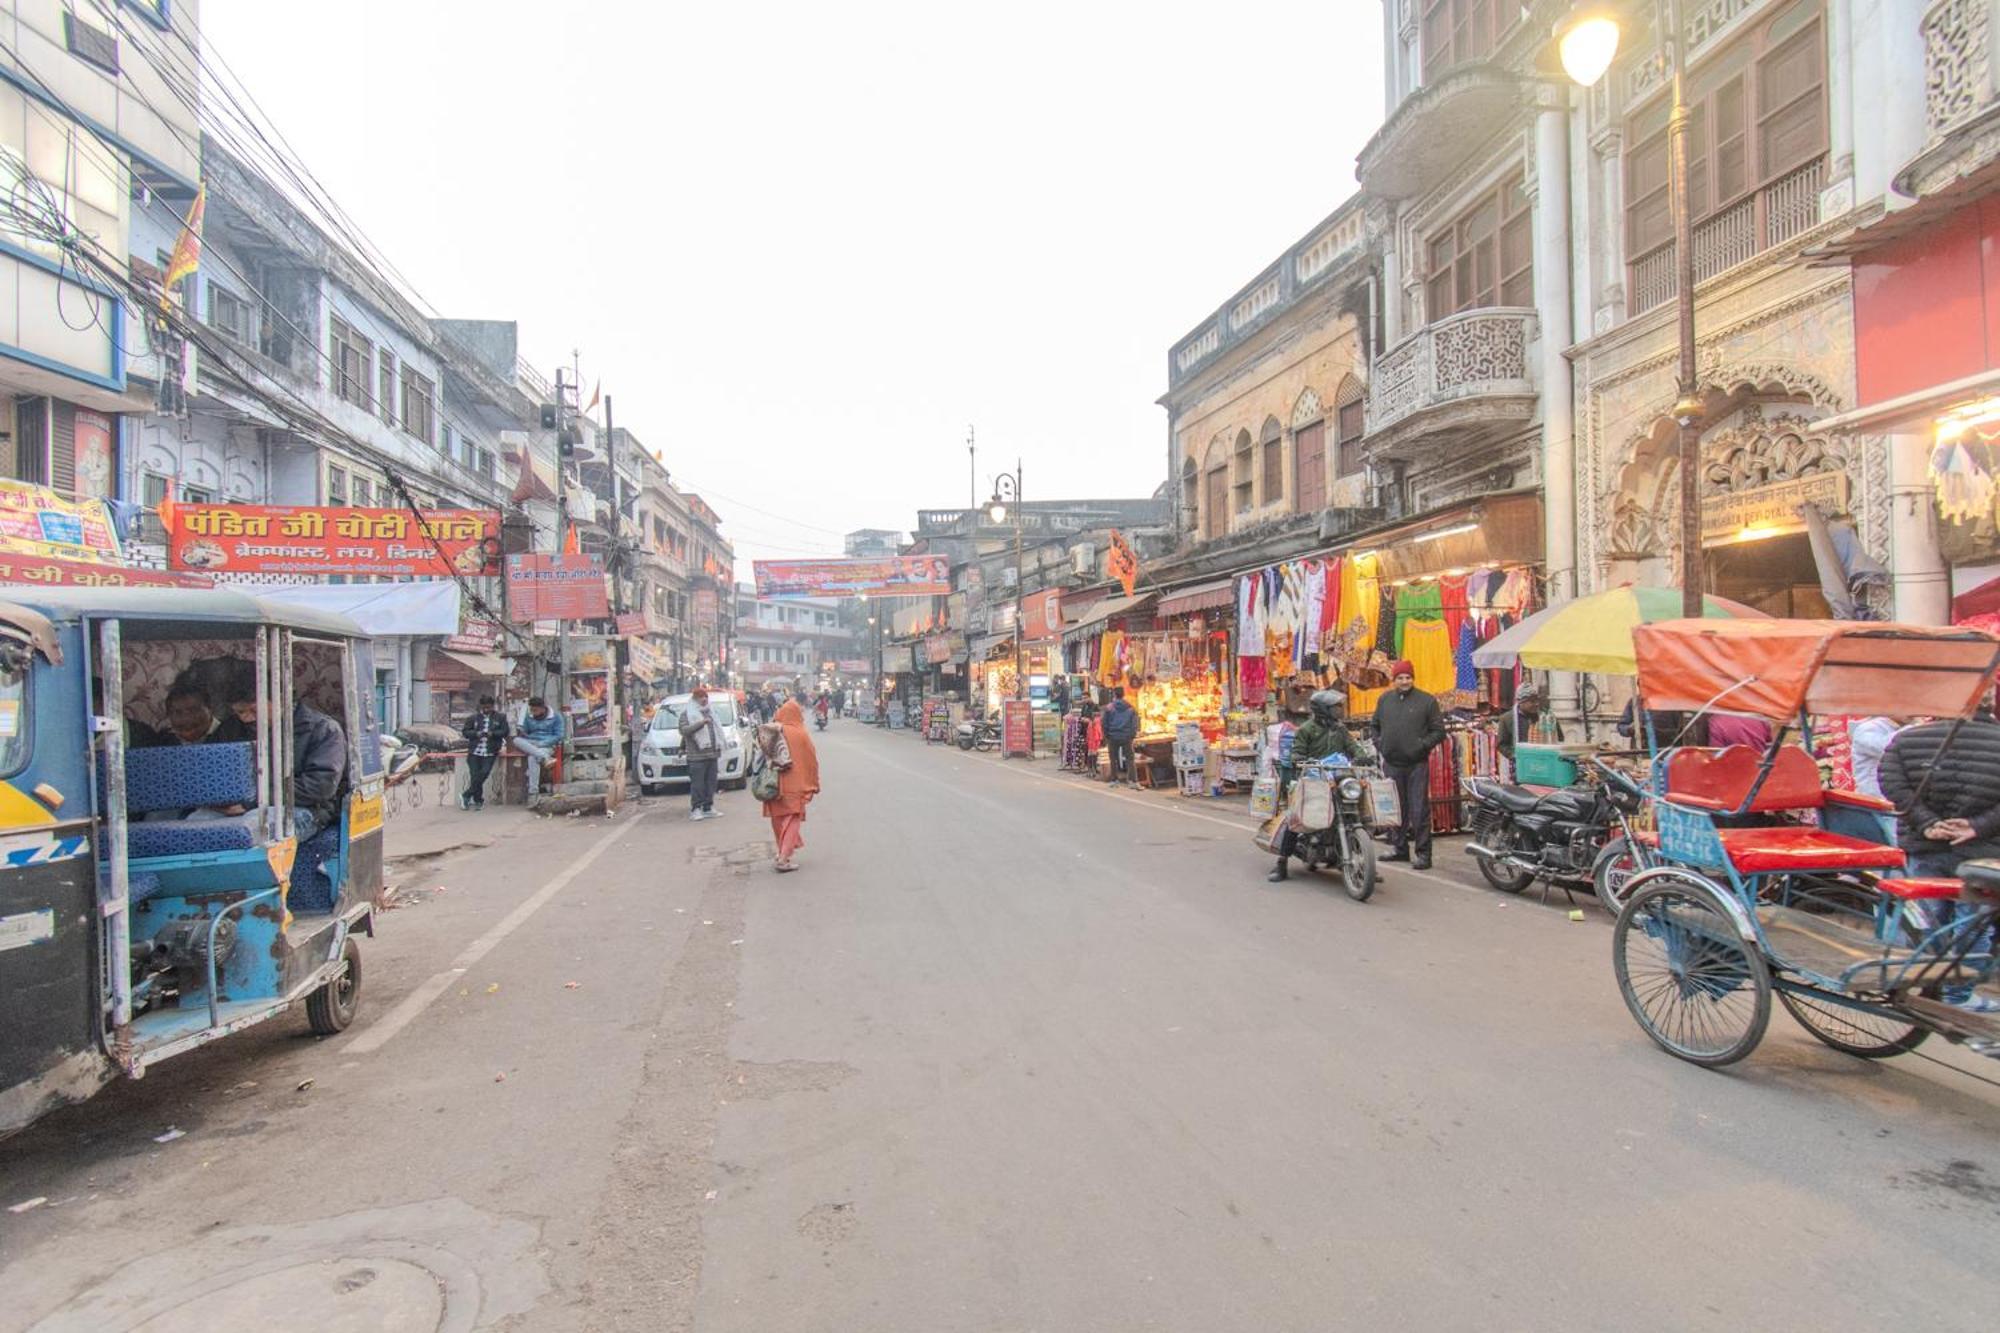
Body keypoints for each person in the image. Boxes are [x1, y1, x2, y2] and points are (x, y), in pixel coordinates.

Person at [1879, 706, 2000, 1014]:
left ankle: (1921, 985)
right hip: (1982, 850)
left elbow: (1891, 782)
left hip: (1925, 843)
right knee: (1971, 924)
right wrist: (1977, 826)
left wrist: (1927, 822)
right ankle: (1957, 996)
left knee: (1927, 918)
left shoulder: (1906, 740)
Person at [222, 670, 348, 840]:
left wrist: (252, 800)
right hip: (239, 806)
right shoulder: (231, 728)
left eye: (254, 710)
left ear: (281, 699)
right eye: (240, 712)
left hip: (306, 809)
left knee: (252, 829)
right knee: (196, 820)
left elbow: (320, 787)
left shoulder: (323, 729)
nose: (246, 719)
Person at [1269, 690, 1360, 882]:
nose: (1339, 710)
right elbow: (1297, 752)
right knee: (1296, 819)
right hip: (1312, 777)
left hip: (1338, 777)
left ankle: (1362, 863)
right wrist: (1300, 760)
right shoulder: (1307, 729)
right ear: (1323, 709)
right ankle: (1281, 863)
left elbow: (1353, 747)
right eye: (1335, 707)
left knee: (1359, 811)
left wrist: (1362, 756)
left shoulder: (1340, 729)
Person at [1372, 659, 1445, 869]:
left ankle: (1423, 854)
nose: (1404, 681)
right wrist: (1381, 745)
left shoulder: (1427, 701)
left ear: (1413, 678)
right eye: (1400, 678)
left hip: (1416, 764)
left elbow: (1439, 731)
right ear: (1394, 680)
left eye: (1408, 677)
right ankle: (1399, 849)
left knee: (1419, 810)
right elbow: (1374, 726)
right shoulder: (1385, 700)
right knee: (1395, 808)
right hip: (1392, 763)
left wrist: (1421, 746)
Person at [757, 698, 821, 871]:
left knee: (778, 819)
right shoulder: (801, 733)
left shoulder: (775, 730)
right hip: (795, 784)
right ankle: (784, 858)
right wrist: (814, 782)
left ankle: (782, 852)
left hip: (774, 784)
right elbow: (811, 760)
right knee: (792, 818)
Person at [679, 685, 725, 820]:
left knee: (711, 783)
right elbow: (684, 731)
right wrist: (701, 723)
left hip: (712, 754)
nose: (704, 699)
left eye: (705, 696)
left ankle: (708, 807)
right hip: (696, 756)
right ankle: (696, 808)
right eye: (701, 697)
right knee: (697, 784)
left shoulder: (711, 712)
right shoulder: (687, 714)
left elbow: (716, 731)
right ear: (695, 699)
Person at [460, 696, 509, 811]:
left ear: (493, 706)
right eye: (484, 707)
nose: (487, 710)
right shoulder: (473, 718)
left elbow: (505, 731)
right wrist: (476, 734)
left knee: (484, 773)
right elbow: (465, 732)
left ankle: (466, 795)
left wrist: (493, 734)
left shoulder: (500, 717)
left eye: (489, 707)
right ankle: (478, 800)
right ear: (480, 706)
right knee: (475, 776)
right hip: (474, 752)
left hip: (490, 751)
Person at [512, 696, 565, 798]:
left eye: (535, 710)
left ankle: (533, 792)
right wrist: (522, 729)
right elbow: (526, 733)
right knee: (516, 740)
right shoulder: (529, 716)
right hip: (531, 742)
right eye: (531, 710)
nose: (532, 712)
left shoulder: (556, 716)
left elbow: (559, 736)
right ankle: (546, 758)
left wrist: (541, 744)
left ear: (543, 708)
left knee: (532, 758)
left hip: (547, 744)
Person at [1495, 688, 1562, 765]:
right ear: (1521, 703)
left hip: (1546, 761)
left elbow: (1559, 738)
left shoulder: (1547, 717)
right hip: (1520, 763)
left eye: (1537, 700)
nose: (1536, 704)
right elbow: (1502, 745)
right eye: (1532, 701)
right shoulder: (1506, 719)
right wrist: (1515, 755)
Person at [1848, 716, 1898, 800]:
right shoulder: (1867, 728)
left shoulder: (1903, 727)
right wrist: (1914, 728)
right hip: (1873, 798)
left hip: (1899, 796)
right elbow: (1885, 748)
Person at [1101, 686, 1140, 787]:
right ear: (1123, 694)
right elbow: (1135, 723)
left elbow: (1104, 722)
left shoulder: (1109, 707)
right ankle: (1132, 781)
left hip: (1113, 736)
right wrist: (1132, 734)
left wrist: (1107, 734)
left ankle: (1114, 780)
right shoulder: (1130, 707)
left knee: (1113, 759)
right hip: (1126, 736)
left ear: (1114, 694)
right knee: (1130, 758)